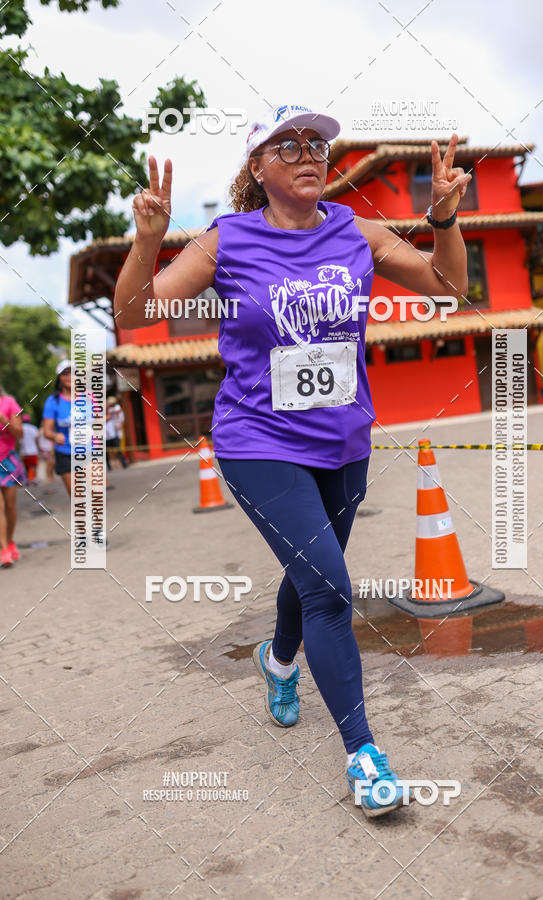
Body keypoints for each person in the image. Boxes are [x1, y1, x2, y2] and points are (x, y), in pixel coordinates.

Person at [113, 105, 471, 818]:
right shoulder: (227, 241)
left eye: (317, 142)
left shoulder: (356, 231)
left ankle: (277, 662)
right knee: (331, 589)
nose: (309, 152)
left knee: (312, 575)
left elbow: (448, 288)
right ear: (258, 168)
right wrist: (147, 243)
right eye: (289, 144)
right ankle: (364, 754)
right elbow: (134, 313)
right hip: (256, 441)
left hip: (343, 442)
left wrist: (445, 221)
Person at [0, 384, 25, 567]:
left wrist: (2, 419)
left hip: (8, 460)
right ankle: (3, 550)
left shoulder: (9, 403)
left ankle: (9, 541)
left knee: (10, 505)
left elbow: (19, 433)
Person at [42, 360, 74, 495]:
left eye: (73, 372)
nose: (69, 376)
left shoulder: (89, 398)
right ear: (59, 377)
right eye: (65, 373)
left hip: (89, 450)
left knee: (96, 491)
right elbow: (46, 431)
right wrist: (55, 436)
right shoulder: (52, 401)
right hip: (65, 452)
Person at [106, 397, 128, 470]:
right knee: (108, 451)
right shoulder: (108, 410)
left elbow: (119, 411)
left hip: (116, 432)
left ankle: (123, 463)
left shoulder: (116, 407)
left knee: (119, 449)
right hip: (108, 434)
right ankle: (110, 466)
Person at [20, 414, 40, 484]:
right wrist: (39, 447)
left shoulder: (20, 428)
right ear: (29, 420)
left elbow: (18, 441)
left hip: (23, 451)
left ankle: (28, 478)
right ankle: (33, 478)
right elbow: (37, 439)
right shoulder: (33, 428)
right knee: (33, 466)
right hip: (33, 451)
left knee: (26, 466)